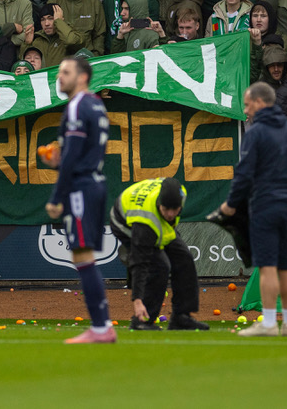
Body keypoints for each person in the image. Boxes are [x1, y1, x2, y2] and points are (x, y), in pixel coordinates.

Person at [219, 82, 287, 337]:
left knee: (268, 266)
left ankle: (269, 323)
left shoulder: (256, 131)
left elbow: (244, 173)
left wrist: (231, 204)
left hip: (265, 204)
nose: (246, 111)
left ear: (260, 103)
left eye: (248, 105)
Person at [41, 56, 115, 344]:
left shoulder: (76, 104)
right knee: (83, 255)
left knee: (82, 255)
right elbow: (81, 149)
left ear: (82, 76)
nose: (60, 77)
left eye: (66, 72)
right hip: (94, 180)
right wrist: (61, 157)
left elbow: (72, 155)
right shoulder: (97, 103)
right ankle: (101, 326)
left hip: (81, 186)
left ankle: (101, 327)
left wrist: (57, 194)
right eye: (60, 72)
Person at [111, 178, 207, 331]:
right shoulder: (145, 222)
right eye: (166, 209)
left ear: (181, 203)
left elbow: (168, 219)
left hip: (156, 222)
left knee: (184, 257)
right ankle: (142, 320)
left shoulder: (181, 193)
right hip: (125, 224)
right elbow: (140, 262)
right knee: (160, 266)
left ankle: (181, 317)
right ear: (159, 204)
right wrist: (137, 300)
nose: (170, 214)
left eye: (174, 209)